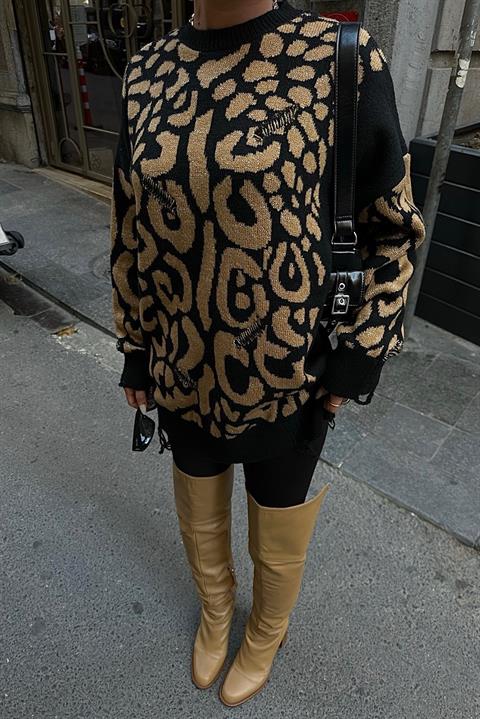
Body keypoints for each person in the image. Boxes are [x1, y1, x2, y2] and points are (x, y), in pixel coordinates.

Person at [109, 0, 426, 707]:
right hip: (180, 363)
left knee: (278, 514)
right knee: (197, 500)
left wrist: (359, 356)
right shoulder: (147, 72)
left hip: (290, 373)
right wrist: (135, 344)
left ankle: (267, 629)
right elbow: (130, 228)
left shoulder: (339, 61)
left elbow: (392, 229)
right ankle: (217, 609)